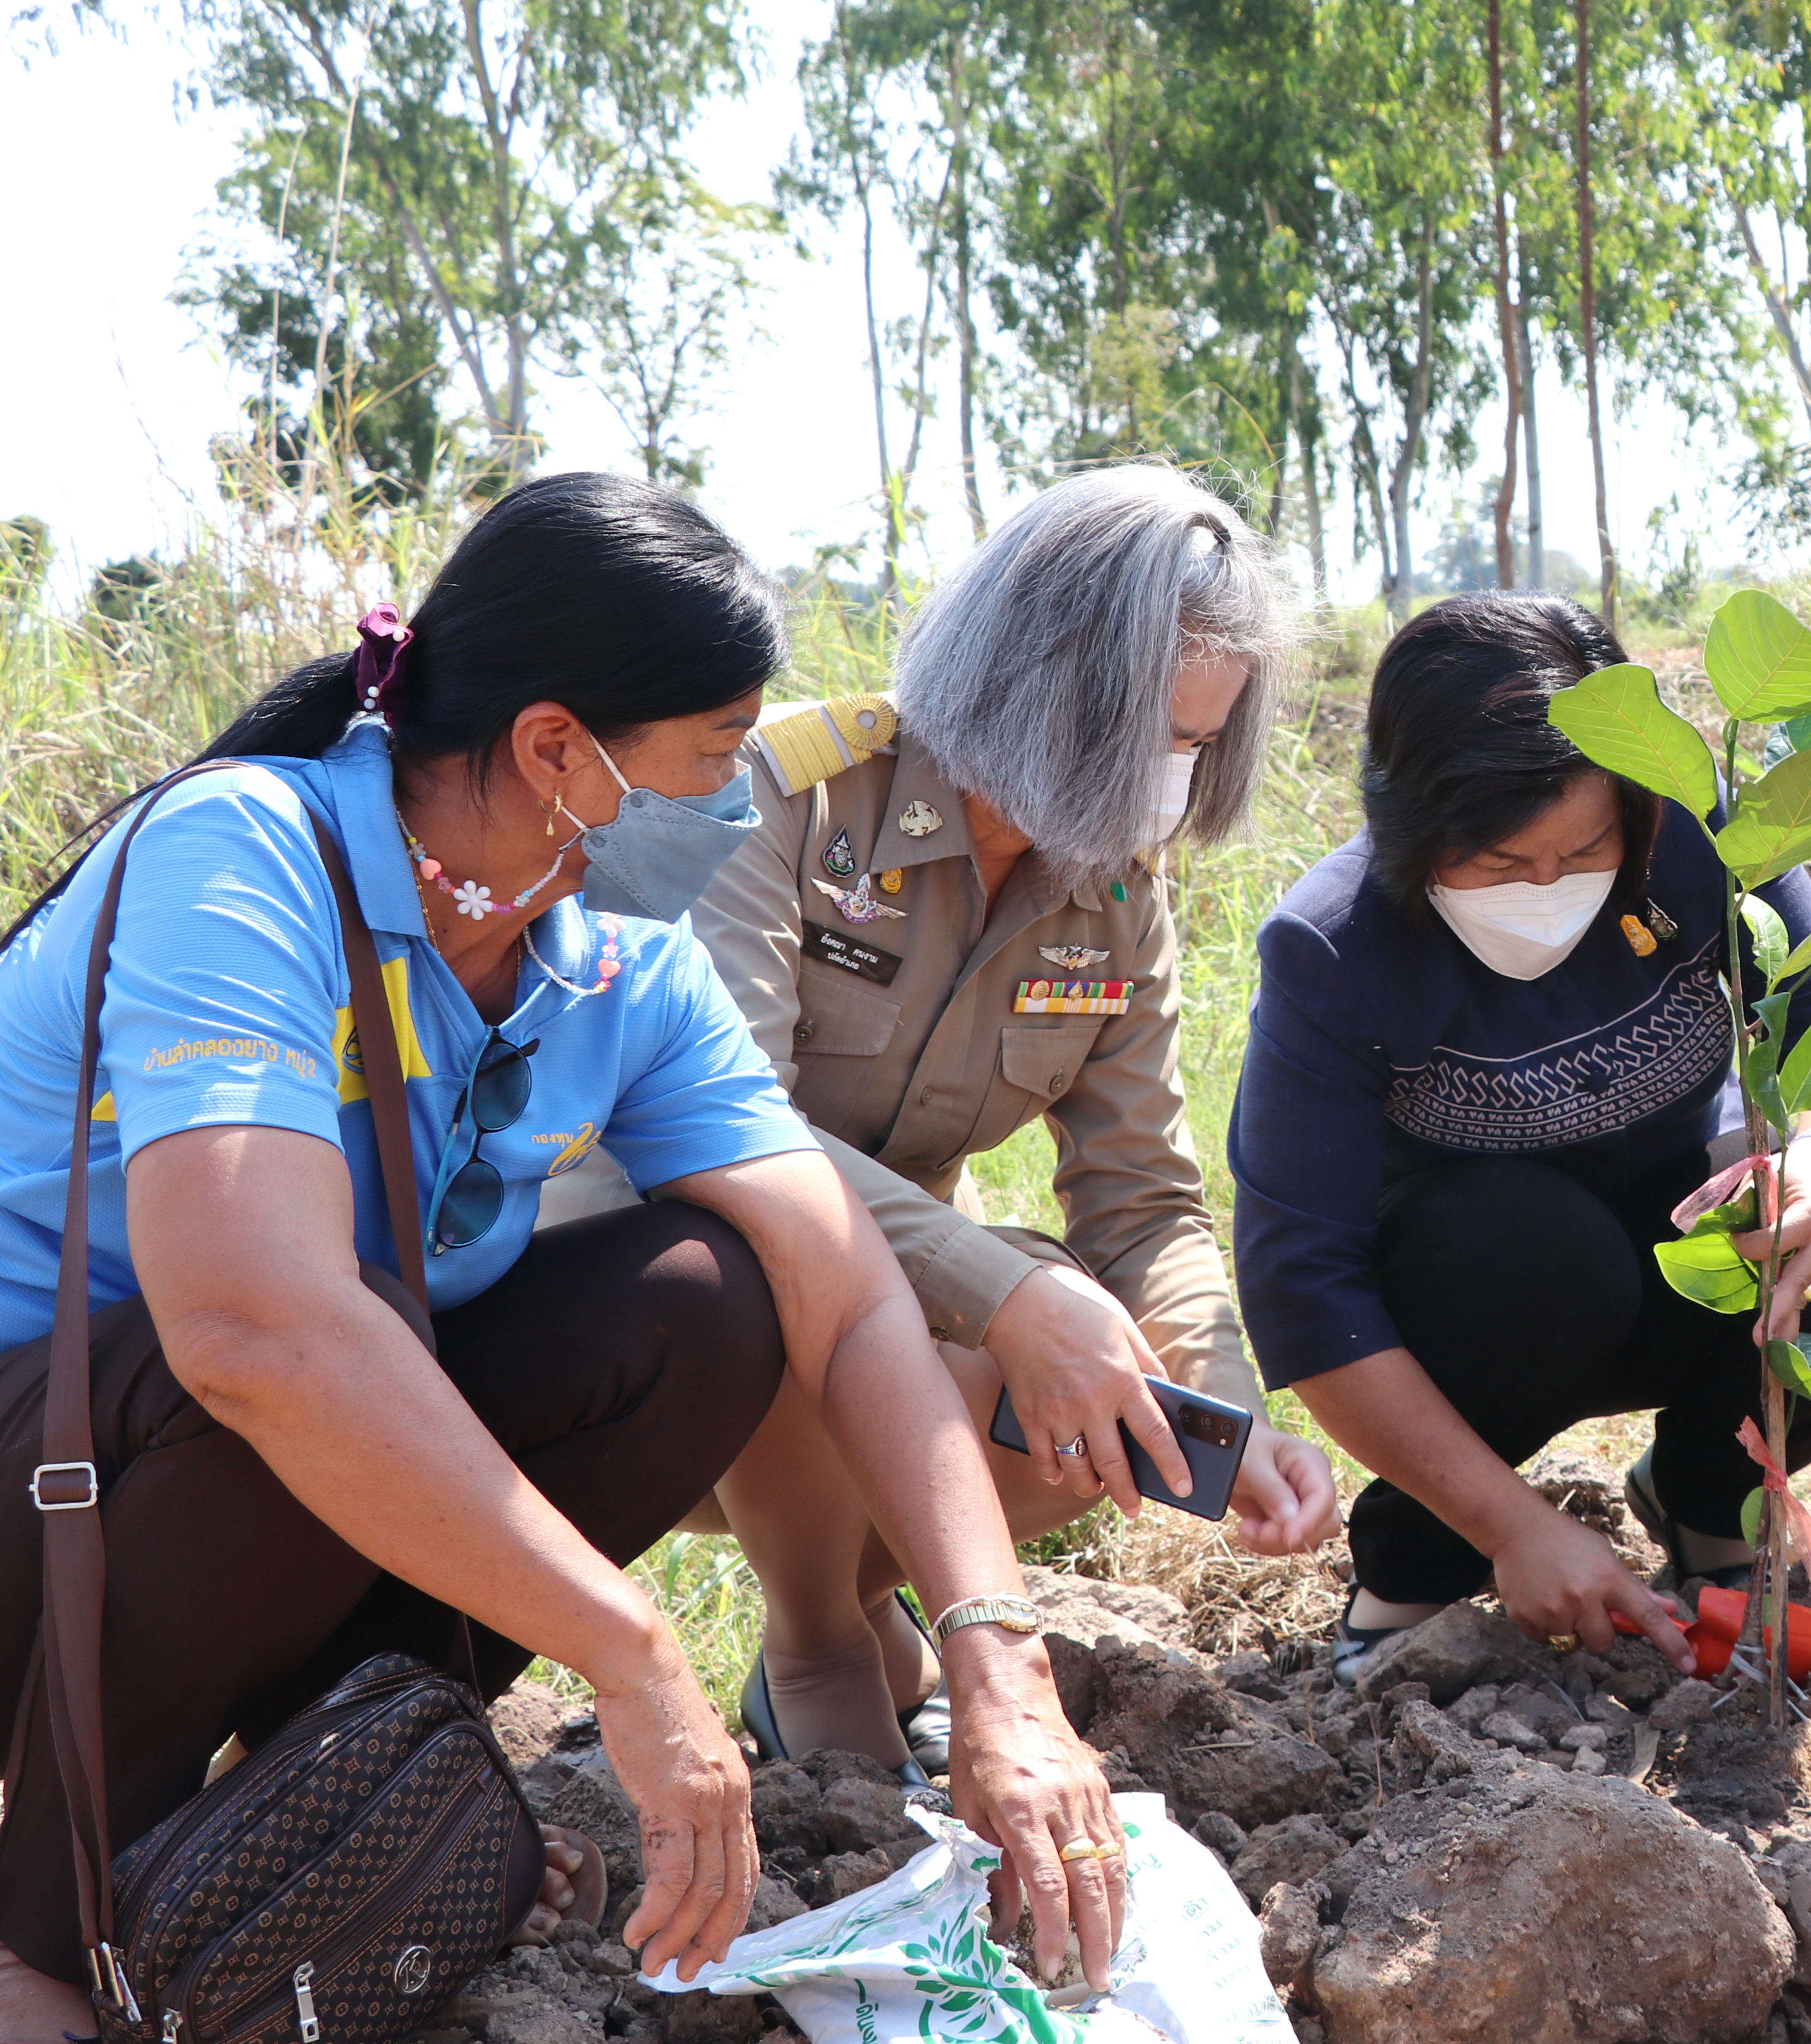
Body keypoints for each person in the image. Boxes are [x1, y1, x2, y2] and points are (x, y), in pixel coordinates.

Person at [0, 476, 1126, 2044]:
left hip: (226, 1488)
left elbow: (847, 1292)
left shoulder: (611, 966)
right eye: (719, 757)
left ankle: (347, 1785)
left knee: (699, 1304)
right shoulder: (246, 856)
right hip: (58, 1488)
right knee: (312, 1369)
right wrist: (634, 1649)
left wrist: (1001, 1663)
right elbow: (253, 1332)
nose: (742, 805)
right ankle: (46, 1932)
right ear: (554, 749)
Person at [549, 464, 1340, 1771]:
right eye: (1151, 736)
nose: (1169, 779)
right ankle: (811, 1643)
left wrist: (1219, 1394)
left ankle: (866, 1602)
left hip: (889, 1318)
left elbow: (1143, 1194)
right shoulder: (774, 800)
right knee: (794, 1264)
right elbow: (721, 1136)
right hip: (657, 1307)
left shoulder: (1113, 894)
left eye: (1196, 747)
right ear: (1036, 684)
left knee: (1107, 1358)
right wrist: (1006, 1296)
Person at [1228, 594, 1811, 1668]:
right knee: (1528, 1242)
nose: (1547, 888)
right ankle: (1416, 1575)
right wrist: (1517, 1529)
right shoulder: (1335, 949)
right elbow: (1304, 1286)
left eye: (1584, 852)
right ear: (1410, 830)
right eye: (1497, 865)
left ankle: (1709, 1505)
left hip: (1690, 1247)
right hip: (1491, 1308)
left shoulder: (1692, 829)